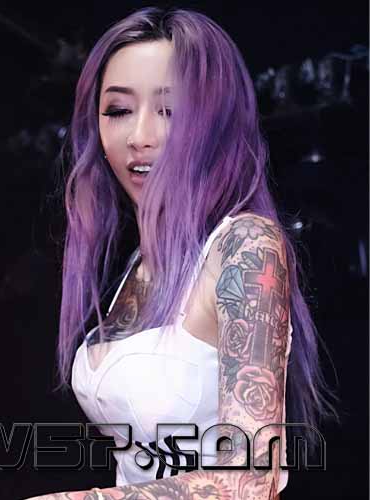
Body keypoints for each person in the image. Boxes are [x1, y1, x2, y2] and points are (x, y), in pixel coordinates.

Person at [27, 6, 338, 500]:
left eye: (170, 110)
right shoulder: (131, 265)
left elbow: (251, 480)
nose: (139, 137)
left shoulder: (246, 247)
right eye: (118, 111)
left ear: (215, 124)